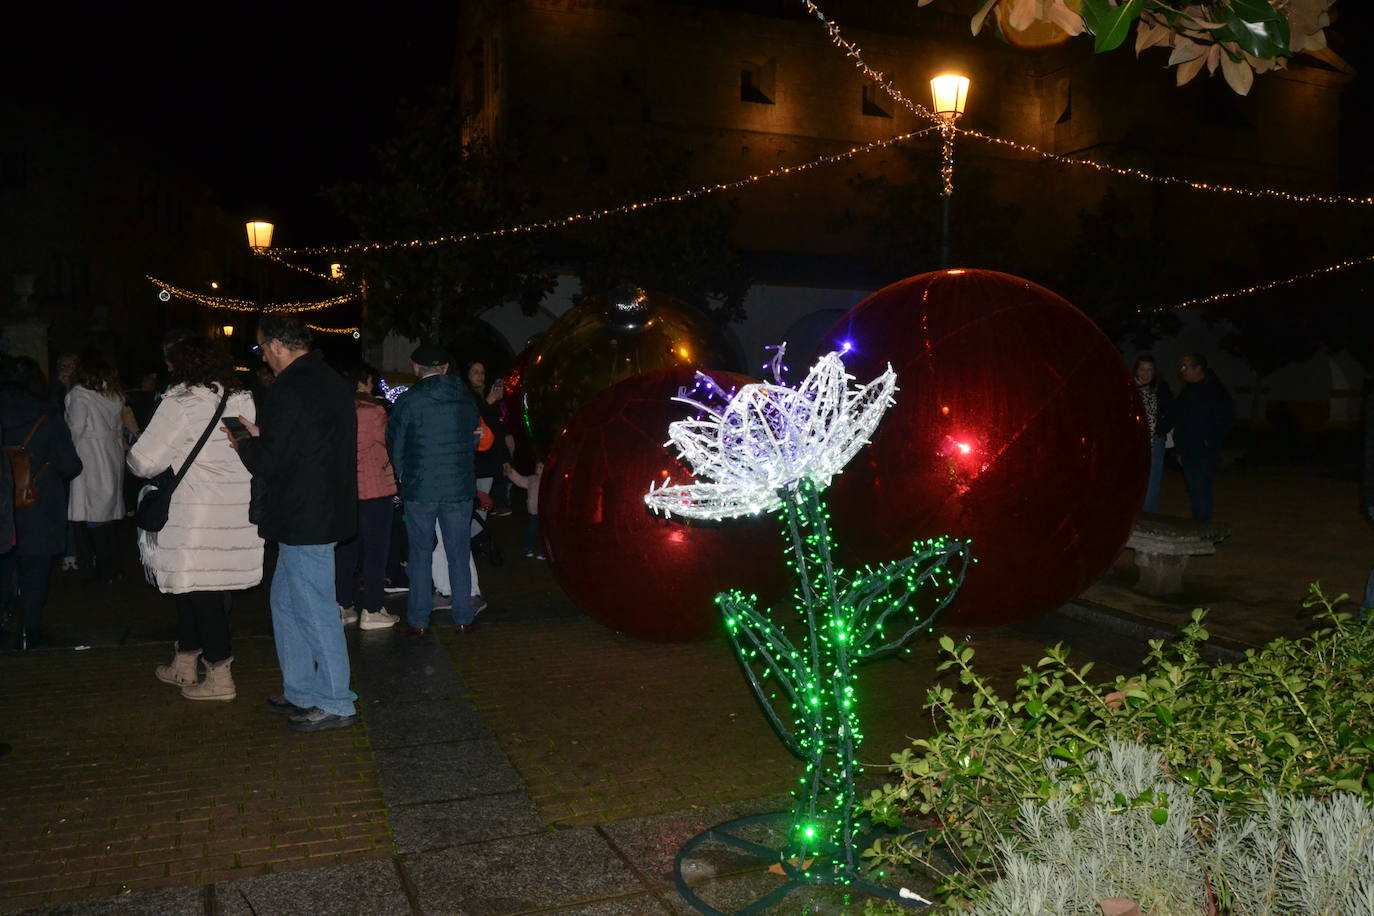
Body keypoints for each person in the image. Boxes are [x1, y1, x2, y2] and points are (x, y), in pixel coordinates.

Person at [230, 315, 359, 732]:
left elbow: (270, 461)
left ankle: (337, 700)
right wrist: (264, 434)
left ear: (280, 345)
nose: (262, 355)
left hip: (304, 516)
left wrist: (245, 444)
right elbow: (305, 443)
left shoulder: (288, 388)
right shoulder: (329, 380)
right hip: (319, 510)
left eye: (262, 347)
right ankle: (302, 689)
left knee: (314, 608)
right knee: (287, 602)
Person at [129, 337, 263, 701]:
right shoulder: (239, 399)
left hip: (194, 514)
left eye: (170, 363)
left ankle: (221, 678)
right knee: (197, 590)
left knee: (200, 594)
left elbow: (145, 462)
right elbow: (244, 451)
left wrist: (133, 447)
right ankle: (184, 663)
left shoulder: (180, 404)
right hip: (235, 511)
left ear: (179, 365)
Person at [387, 344, 480, 636]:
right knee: (458, 551)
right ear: (446, 368)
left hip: (421, 487)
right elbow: (474, 439)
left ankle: (418, 619)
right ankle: (463, 616)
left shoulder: (409, 400)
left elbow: (395, 444)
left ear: (417, 368)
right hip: (459, 487)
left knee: (420, 553)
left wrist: (404, 477)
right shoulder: (465, 397)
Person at [0, 357, 82, 649]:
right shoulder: (47, 417)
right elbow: (70, 465)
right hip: (38, 503)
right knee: (36, 568)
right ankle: (30, 629)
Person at [335, 365, 399, 630]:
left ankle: (343, 605)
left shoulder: (335, 409)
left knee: (346, 551)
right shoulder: (373, 411)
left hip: (346, 491)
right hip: (375, 491)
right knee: (375, 552)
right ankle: (372, 609)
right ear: (363, 383)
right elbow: (390, 442)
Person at [66, 354, 127, 582]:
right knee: (106, 514)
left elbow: (76, 429)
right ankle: (113, 565)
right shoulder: (113, 395)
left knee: (95, 515)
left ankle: (105, 568)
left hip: (89, 456)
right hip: (111, 454)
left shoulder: (80, 395)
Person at [1171, 354, 1234, 522]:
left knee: (1201, 489)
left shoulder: (1214, 390)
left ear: (1198, 369)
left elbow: (1225, 418)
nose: (1182, 370)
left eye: (1186, 366)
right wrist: (1180, 449)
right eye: (1182, 366)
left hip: (1203, 450)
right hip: (1188, 449)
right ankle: (1198, 525)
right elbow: (1181, 418)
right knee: (1195, 490)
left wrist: (1210, 441)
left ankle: (1202, 528)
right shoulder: (1188, 389)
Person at [1133, 354, 1173, 515]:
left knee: (1152, 479)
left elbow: (1171, 412)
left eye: (1149, 369)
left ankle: (1148, 513)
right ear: (1136, 370)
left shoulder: (1161, 389)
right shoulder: (1128, 388)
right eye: (1142, 369)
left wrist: (1160, 429)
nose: (1146, 373)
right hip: (1134, 440)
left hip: (1155, 440)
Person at [505, 461, 544, 559]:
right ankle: (528, 548)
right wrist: (510, 472)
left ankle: (544, 552)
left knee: (544, 533)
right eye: (537, 467)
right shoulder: (532, 479)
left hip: (545, 513)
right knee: (531, 530)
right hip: (534, 512)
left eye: (541, 467)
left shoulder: (549, 480)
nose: (538, 469)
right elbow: (520, 480)